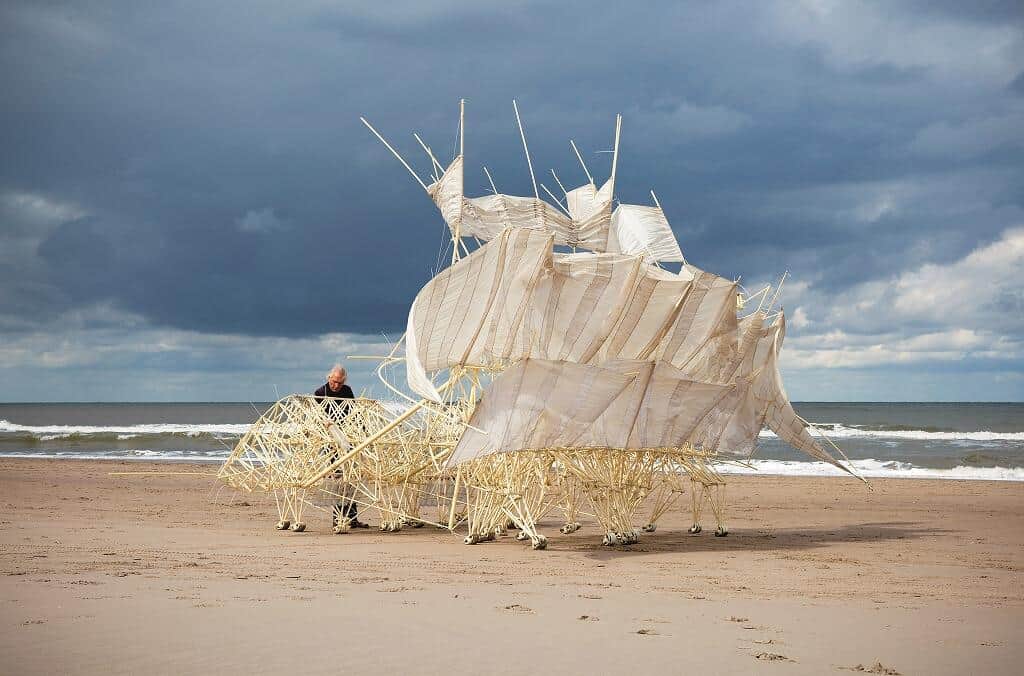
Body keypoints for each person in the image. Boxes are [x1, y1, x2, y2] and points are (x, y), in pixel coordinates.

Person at [315, 365, 369, 529]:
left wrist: (363, 432)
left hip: (348, 440)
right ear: (329, 378)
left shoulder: (347, 391)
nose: (336, 385)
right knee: (338, 479)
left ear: (344, 381)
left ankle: (352, 518)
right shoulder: (320, 393)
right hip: (331, 443)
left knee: (351, 478)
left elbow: (355, 413)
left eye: (340, 383)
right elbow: (317, 418)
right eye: (334, 381)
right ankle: (338, 518)